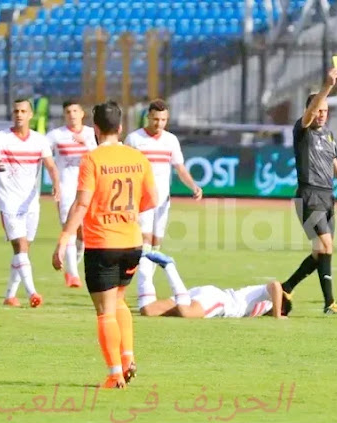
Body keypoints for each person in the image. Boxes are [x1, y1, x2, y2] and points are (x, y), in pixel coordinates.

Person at [51, 101, 158, 389]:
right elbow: (151, 199)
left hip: (103, 243)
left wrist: (64, 238)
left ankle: (115, 373)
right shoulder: (138, 157)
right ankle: (127, 357)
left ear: (95, 129)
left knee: (105, 311)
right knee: (120, 299)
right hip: (132, 242)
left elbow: (83, 202)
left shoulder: (92, 159)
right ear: (120, 127)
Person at [281, 67, 337, 315]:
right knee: (326, 245)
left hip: (327, 195)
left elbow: (333, 163)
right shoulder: (302, 131)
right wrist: (328, 86)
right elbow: (311, 111)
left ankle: (287, 286)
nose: (322, 115)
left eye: (325, 111)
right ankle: (330, 303)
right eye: (318, 110)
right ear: (310, 110)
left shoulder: (328, 135)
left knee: (321, 250)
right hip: (309, 195)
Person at [124, 99, 203, 310]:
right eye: (156, 119)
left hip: (163, 201)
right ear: (148, 117)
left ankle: (144, 285)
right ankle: (144, 291)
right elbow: (124, 169)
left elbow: (180, 168)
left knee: (156, 245)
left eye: (163, 120)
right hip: (141, 200)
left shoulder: (171, 140)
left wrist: (193, 186)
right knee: (144, 243)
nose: (159, 123)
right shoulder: (134, 139)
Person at [0, 99, 60, 308]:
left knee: (23, 250)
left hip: (31, 204)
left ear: (30, 115)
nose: (19, 114)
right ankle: (32, 293)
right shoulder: (2, 137)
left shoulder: (39, 140)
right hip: (8, 201)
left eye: (23, 111)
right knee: (20, 246)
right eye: (16, 111)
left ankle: (10, 296)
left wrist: (56, 183)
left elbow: (51, 166)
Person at [138, 251, 291, 319]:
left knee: (148, 310)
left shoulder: (262, 304)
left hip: (205, 294)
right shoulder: (268, 302)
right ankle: (169, 266)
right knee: (186, 313)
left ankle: (144, 259)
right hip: (219, 302)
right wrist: (278, 315)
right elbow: (276, 286)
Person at [46, 100, 98, 288]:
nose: (72, 114)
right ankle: (74, 275)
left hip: (86, 186)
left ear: (82, 113)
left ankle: (71, 267)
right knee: (68, 227)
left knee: (83, 235)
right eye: (68, 111)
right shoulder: (56, 135)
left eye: (75, 110)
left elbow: (100, 155)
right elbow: (43, 153)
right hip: (65, 186)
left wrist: (86, 144)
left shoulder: (91, 134)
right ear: (64, 114)